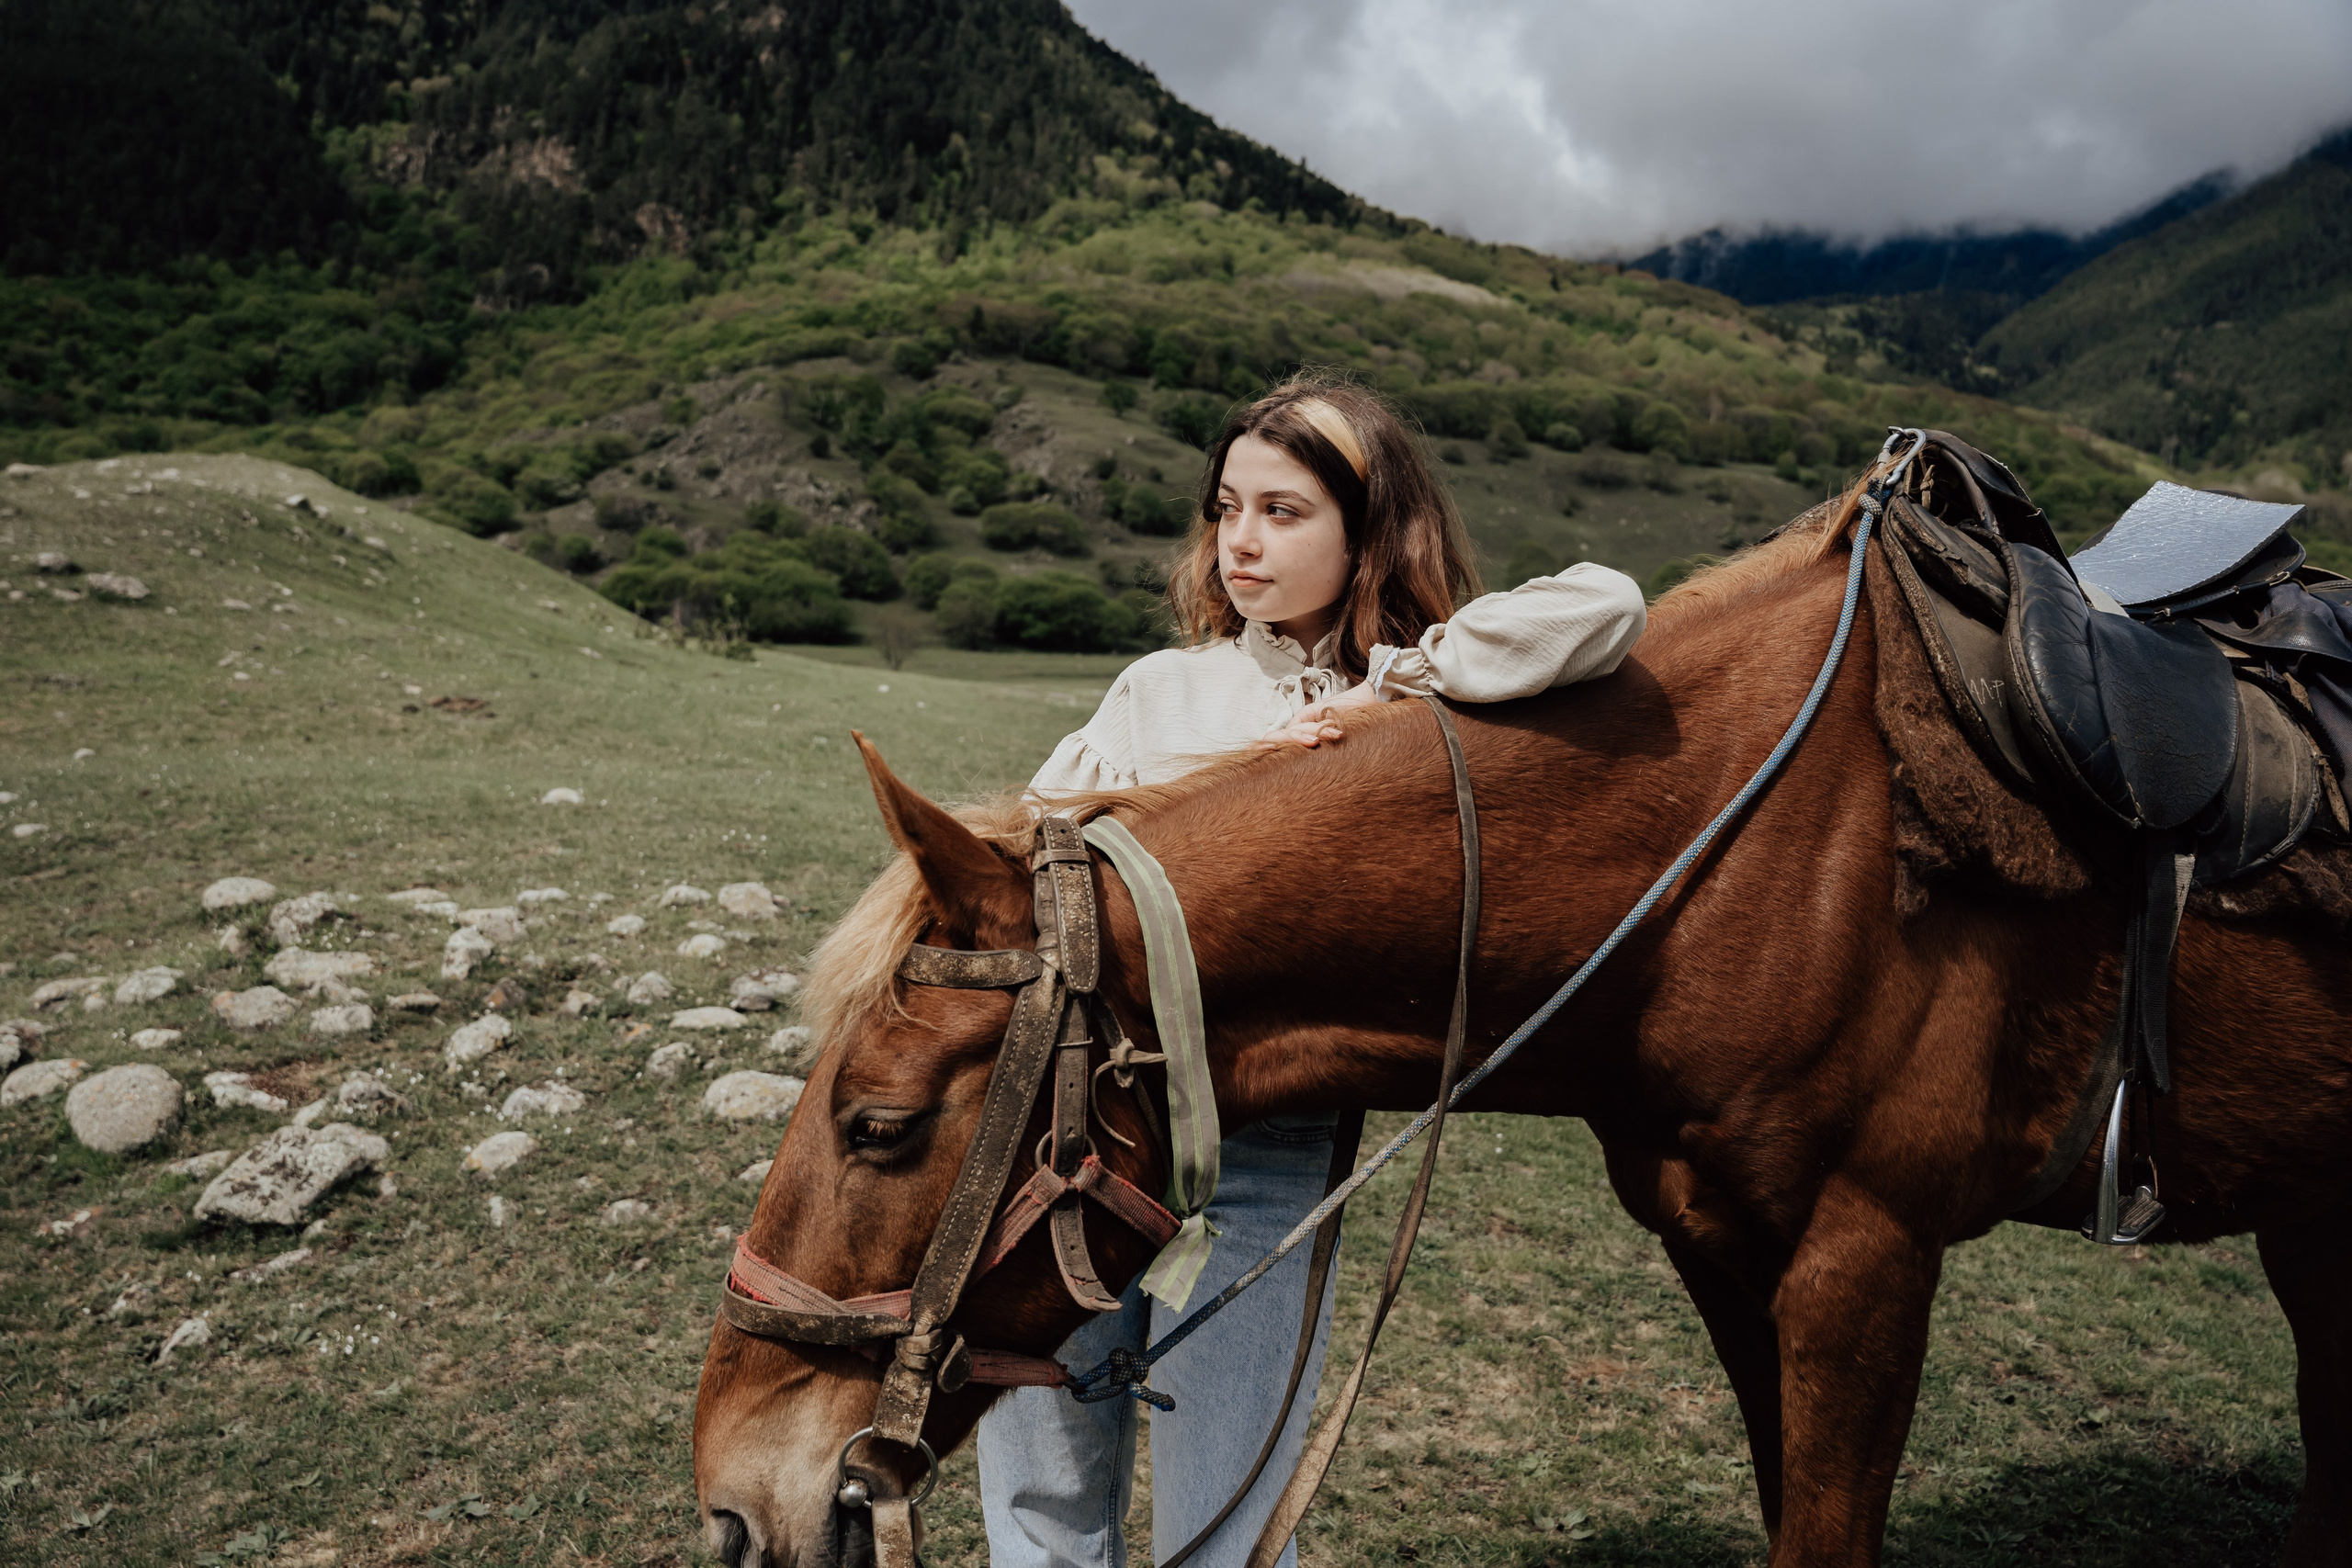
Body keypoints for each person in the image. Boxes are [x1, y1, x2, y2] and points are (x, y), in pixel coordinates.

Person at [978, 374, 1646, 1567]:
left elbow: (1610, 606)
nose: (1240, 540)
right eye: (1228, 507)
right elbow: (1034, 858)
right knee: (1040, 1511)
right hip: (1075, 1134)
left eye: (1284, 512)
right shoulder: (1162, 688)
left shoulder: (1408, 713)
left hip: (1267, 1161)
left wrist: (1400, 686)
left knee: (1224, 1538)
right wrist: (1238, 781)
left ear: (1369, 532)